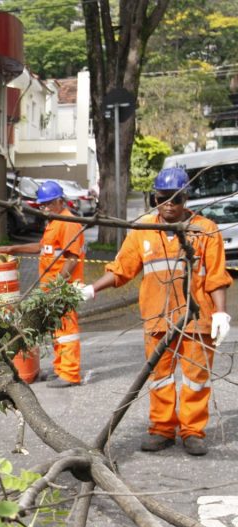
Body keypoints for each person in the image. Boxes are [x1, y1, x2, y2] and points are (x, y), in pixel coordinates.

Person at [79, 167, 232, 455]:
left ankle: (192, 431)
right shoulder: (144, 230)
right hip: (157, 319)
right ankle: (162, 429)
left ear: (186, 198)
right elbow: (122, 269)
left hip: (196, 320)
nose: (170, 205)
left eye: (176, 199)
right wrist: (93, 288)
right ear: (154, 198)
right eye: (163, 199)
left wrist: (220, 313)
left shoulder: (205, 230)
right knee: (160, 377)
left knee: (196, 379)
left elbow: (215, 277)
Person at [0, 180, 86, 388]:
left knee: (67, 330)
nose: (44, 208)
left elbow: (72, 258)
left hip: (63, 288)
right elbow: (42, 247)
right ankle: (60, 368)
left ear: (59, 201)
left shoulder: (68, 223)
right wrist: (13, 249)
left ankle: (70, 373)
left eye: (47, 204)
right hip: (53, 288)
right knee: (57, 329)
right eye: (41, 205)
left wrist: (58, 285)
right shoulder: (54, 222)